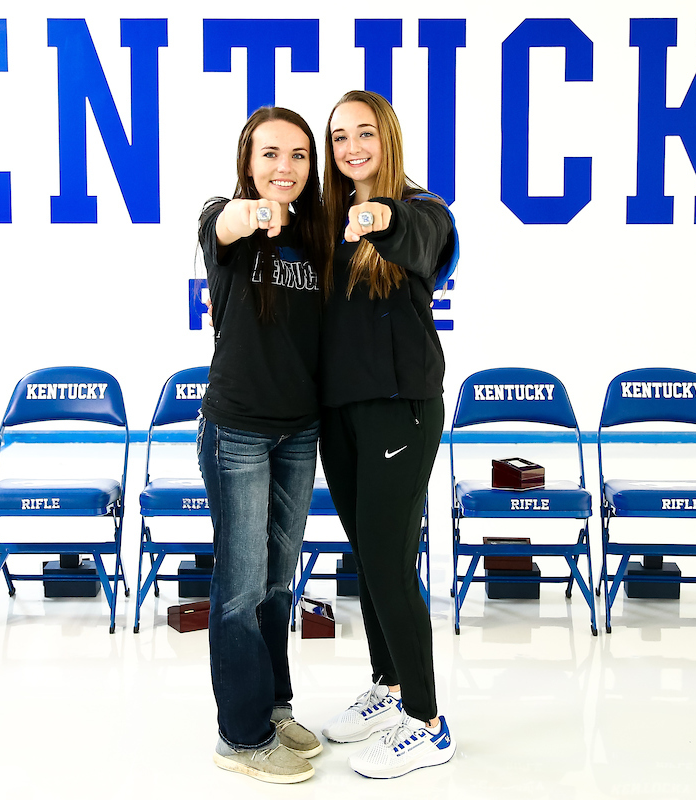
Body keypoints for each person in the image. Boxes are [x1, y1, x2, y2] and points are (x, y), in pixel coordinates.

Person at [317, 90, 457, 779]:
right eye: (339, 137)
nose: (350, 148)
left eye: (363, 133)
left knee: (391, 563)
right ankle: (390, 686)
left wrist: (379, 214)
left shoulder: (423, 211)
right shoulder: (322, 220)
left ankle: (429, 723)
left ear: (387, 137)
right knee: (367, 558)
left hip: (400, 411)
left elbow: (422, 237)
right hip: (339, 414)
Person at [197, 106, 330, 784]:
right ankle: (240, 738)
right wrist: (253, 214)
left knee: (279, 582)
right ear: (248, 162)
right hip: (239, 431)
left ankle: (273, 708)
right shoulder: (225, 219)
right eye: (270, 154)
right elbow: (223, 224)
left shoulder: (317, 234)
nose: (285, 167)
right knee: (240, 587)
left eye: (299, 156)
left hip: (298, 430)